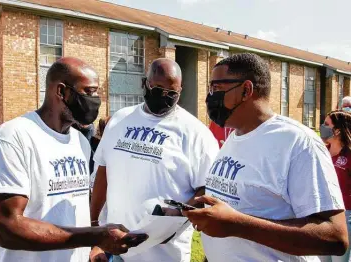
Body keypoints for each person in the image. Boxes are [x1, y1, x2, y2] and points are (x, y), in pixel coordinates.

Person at [0, 57, 147, 262]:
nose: (96, 100)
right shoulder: (13, 137)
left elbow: (78, 206)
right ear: (61, 91)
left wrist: (91, 247)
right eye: (89, 92)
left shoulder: (80, 142)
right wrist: (97, 236)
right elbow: (7, 227)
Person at [183, 53, 348, 261]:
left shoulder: (297, 143)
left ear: (246, 90)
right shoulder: (234, 138)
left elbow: (335, 237)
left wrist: (237, 225)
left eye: (217, 88)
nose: (209, 97)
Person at [90, 58, 219, 262]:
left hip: (165, 255)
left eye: (172, 93)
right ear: (145, 83)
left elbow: (208, 189)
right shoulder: (119, 120)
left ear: (181, 90)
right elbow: (103, 172)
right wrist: (94, 228)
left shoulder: (196, 134)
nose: (164, 96)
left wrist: (179, 212)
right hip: (117, 249)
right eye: (158, 89)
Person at [320, 110, 351, 262]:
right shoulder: (321, 151)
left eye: (326, 124)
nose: (322, 127)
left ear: (338, 130)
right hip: (321, 214)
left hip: (345, 217)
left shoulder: (349, 154)